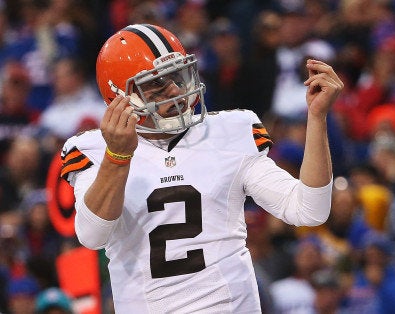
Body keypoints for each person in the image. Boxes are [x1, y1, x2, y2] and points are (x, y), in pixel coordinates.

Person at [59, 24, 343, 313]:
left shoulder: (231, 130)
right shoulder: (93, 149)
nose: (175, 91)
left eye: (177, 77)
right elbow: (92, 235)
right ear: (119, 97)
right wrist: (117, 157)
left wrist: (317, 119)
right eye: (156, 85)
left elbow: (309, 209)